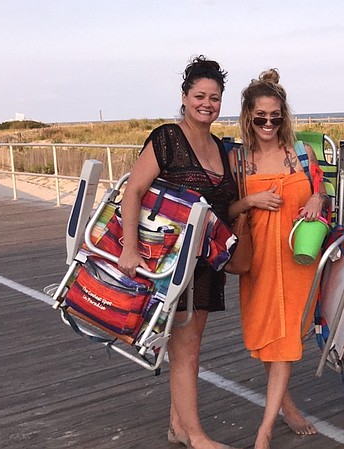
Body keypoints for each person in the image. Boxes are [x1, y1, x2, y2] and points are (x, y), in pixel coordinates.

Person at [118, 56, 239, 449]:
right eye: (200, 95)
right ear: (185, 97)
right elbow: (133, 191)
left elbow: (224, 205)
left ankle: (177, 426)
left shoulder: (221, 147)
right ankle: (197, 436)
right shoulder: (168, 138)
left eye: (215, 98)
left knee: (189, 345)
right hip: (170, 262)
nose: (207, 103)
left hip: (205, 263)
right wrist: (130, 249)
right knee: (184, 349)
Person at [229, 68, 328, 449]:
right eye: (260, 117)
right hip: (259, 263)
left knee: (286, 340)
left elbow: (323, 194)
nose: (268, 123)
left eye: (275, 116)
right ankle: (286, 406)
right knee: (268, 337)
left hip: (297, 259)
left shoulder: (302, 154)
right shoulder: (238, 161)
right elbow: (228, 208)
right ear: (248, 116)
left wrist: (318, 198)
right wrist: (251, 200)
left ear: (283, 116)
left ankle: (264, 430)